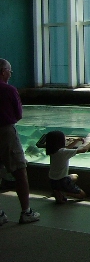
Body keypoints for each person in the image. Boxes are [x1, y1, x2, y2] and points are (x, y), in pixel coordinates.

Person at [0, 59, 39, 225]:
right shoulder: (9, 90)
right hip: (6, 132)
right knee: (20, 172)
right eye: (10, 71)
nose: (10, 74)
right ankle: (26, 211)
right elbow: (18, 115)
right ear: (3, 72)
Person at [45, 131, 90, 203]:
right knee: (82, 195)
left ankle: (57, 190)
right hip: (62, 180)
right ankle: (62, 192)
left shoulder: (53, 151)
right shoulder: (63, 152)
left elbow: (67, 149)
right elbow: (83, 150)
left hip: (52, 180)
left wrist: (76, 141)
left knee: (75, 176)